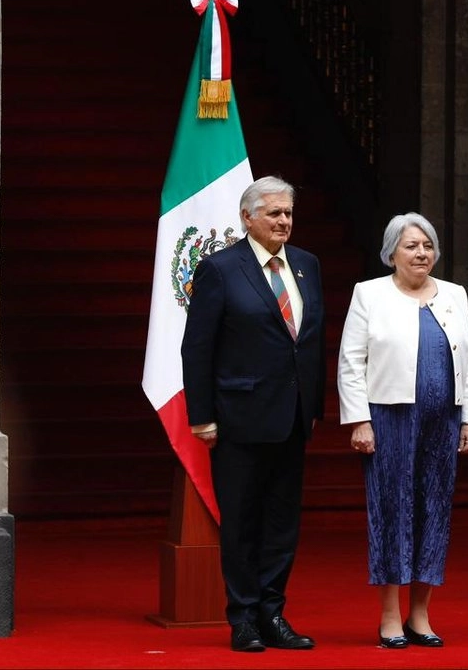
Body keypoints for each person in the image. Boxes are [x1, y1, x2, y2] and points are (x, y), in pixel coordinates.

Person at [180, 175, 325, 652]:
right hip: (240, 418)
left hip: (292, 417)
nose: (284, 221)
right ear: (248, 218)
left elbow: (310, 342)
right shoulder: (221, 269)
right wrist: (201, 416)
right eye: (274, 214)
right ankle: (242, 618)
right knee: (242, 523)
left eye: (288, 213)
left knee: (283, 524)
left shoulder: (306, 265)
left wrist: (314, 405)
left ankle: (273, 613)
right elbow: (198, 347)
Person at [337, 212, 468, 649]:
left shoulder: (455, 294)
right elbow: (351, 362)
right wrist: (359, 419)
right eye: (411, 246)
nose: (421, 253)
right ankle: (389, 616)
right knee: (391, 510)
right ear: (391, 253)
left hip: (444, 420)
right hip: (389, 419)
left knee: (433, 511)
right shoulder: (369, 294)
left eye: (427, 246)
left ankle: (420, 614)